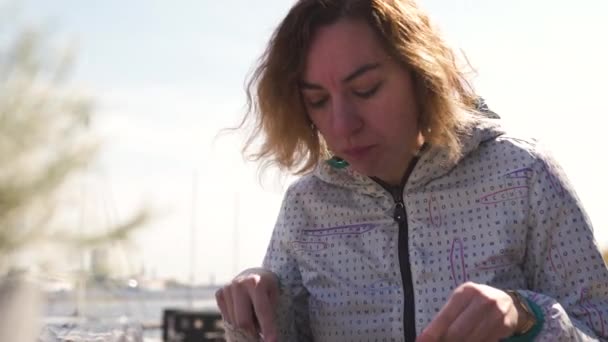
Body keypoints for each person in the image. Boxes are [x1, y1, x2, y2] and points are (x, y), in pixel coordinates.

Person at [215, 0, 608, 341]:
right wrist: (251, 310)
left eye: (366, 89)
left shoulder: (523, 175)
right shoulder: (306, 206)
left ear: (422, 75)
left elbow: (597, 329)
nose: (341, 124)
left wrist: (526, 317)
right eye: (317, 100)